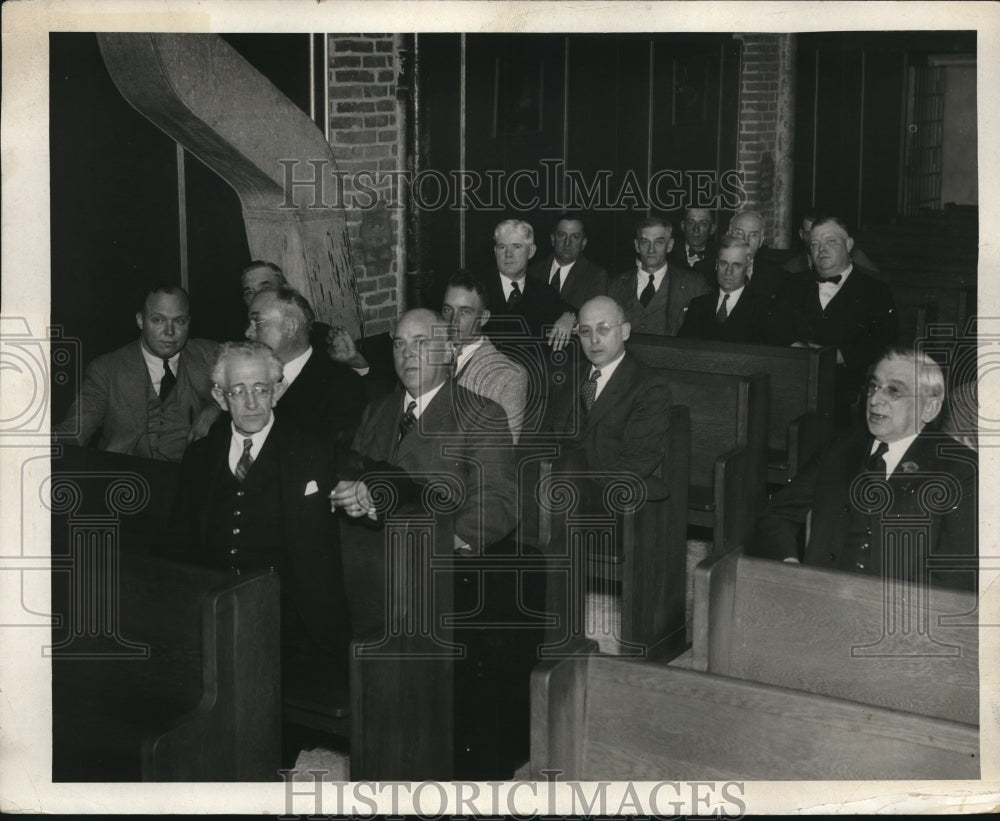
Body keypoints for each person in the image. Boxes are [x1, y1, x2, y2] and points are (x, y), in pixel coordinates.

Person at [331, 308, 532, 780]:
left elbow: (499, 502)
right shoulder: (378, 410)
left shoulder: (480, 412)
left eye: (421, 343)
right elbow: (355, 475)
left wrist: (451, 545)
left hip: (440, 573)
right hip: (373, 564)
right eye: (400, 344)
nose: (408, 354)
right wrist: (350, 496)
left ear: (448, 352)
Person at [161, 340, 355, 761]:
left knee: (260, 733)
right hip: (213, 609)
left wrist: (370, 489)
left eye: (261, 389)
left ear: (278, 391)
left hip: (290, 618)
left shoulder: (312, 450)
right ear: (219, 397)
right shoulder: (200, 456)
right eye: (238, 391)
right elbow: (178, 545)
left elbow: (389, 475)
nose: (251, 402)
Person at [752, 347, 976, 592]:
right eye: (874, 386)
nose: (874, 399)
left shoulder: (960, 469)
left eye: (894, 391)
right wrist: (790, 566)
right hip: (819, 599)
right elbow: (776, 516)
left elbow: (956, 573)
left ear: (929, 409)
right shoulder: (839, 450)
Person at [53, 285, 219, 461]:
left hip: (193, 481)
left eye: (179, 321)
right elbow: (75, 431)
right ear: (140, 320)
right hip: (126, 480)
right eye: (158, 320)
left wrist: (218, 408)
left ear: (189, 322)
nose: (170, 332)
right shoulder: (106, 370)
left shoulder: (210, 355)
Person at [765, 215, 898, 426]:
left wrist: (839, 356)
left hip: (844, 382)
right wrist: (799, 349)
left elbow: (883, 340)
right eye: (815, 243)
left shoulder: (876, 290)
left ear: (849, 244)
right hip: (794, 374)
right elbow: (774, 325)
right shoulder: (793, 284)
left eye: (830, 241)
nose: (821, 249)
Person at [548, 296, 673, 511]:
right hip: (561, 487)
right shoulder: (570, 375)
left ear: (624, 331)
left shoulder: (649, 385)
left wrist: (579, 486)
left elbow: (638, 458)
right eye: (585, 331)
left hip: (611, 496)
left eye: (603, 329)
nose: (594, 340)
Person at [245, 287, 365, 442]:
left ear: (290, 327)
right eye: (249, 323)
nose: (248, 333)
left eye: (258, 322)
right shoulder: (247, 379)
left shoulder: (340, 385)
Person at [442, 272, 529, 443]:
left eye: (464, 312)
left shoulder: (509, 375)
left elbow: (502, 452)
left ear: (483, 318)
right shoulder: (425, 359)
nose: (453, 320)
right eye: (447, 310)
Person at [481, 219, 577, 350]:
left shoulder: (544, 293)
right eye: (502, 247)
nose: (508, 254)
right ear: (495, 251)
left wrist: (569, 317)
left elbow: (571, 310)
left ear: (531, 251)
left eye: (516, 247)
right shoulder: (477, 289)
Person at [607, 216, 710, 336]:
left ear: (670, 245)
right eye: (645, 242)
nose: (651, 250)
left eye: (659, 242)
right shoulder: (617, 285)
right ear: (636, 245)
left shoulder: (693, 284)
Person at [678, 235, 769, 343]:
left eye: (736, 265)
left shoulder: (762, 308)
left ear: (748, 268)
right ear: (716, 265)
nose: (728, 271)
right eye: (723, 263)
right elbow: (683, 348)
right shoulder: (698, 305)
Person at [526, 213, 608, 310]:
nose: (567, 243)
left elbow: (594, 316)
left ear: (583, 243)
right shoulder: (533, 271)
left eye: (575, 237)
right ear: (553, 239)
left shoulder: (595, 276)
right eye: (562, 235)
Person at [783, 209, 880, 275]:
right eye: (809, 234)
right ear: (801, 234)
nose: (815, 239)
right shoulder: (792, 267)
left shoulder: (855, 256)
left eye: (821, 234)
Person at [725, 209, 788, 299]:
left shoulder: (776, 275)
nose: (746, 240)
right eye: (739, 233)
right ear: (729, 235)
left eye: (753, 235)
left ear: (761, 241)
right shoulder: (708, 271)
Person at [667, 206, 717, 284]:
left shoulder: (719, 257)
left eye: (703, 223)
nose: (696, 229)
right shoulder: (668, 252)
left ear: (712, 229)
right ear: (683, 226)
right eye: (691, 222)